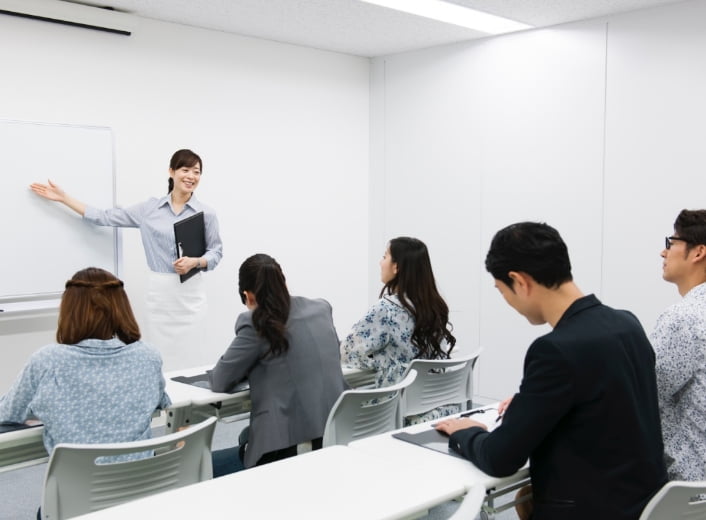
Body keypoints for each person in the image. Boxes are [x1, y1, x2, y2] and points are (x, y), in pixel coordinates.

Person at [435, 222, 666, 520]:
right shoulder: (627, 323)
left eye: (502, 291)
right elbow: (604, 405)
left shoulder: (554, 349)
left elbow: (500, 459)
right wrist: (529, 404)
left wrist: (467, 433)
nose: (506, 302)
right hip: (643, 504)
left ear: (519, 282)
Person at [30, 149, 223, 370]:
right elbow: (104, 217)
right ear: (171, 172)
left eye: (196, 172)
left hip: (191, 295)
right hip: (160, 294)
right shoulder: (149, 209)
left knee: (194, 354)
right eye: (185, 169)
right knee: (158, 356)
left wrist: (195, 262)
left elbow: (216, 253)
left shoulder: (206, 213)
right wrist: (64, 198)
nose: (191, 176)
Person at [0, 267, 171, 458]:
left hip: (77, 486)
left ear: (69, 310)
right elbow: (160, 400)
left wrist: (39, 405)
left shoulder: (47, 361)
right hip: (143, 482)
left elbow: (8, 414)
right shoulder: (147, 356)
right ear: (121, 309)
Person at [209, 254, 347, 472]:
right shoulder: (321, 308)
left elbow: (220, 381)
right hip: (334, 434)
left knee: (211, 465)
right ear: (283, 282)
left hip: (284, 446)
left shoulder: (254, 322)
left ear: (248, 296)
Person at [341, 236, 457, 424]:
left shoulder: (386, 309)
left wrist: (380, 360)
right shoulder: (435, 305)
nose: (380, 262)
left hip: (398, 413)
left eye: (385, 256)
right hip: (439, 406)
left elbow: (348, 352)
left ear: (397, 267)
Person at [651, 209, 706, 481]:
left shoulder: (683, 319)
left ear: (698, 252)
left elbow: (643, 395)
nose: (664, 253)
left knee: (533, 494)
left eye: (671, 244)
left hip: (687, 484)